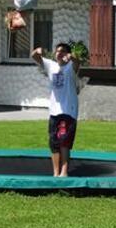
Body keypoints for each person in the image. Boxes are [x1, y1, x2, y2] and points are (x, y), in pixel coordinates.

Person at [31, 43, 80, 177]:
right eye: (57, 51)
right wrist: (38, 51)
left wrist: (71, 57)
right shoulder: (50, 65)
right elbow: (34, 56)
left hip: (68, 110)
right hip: (54, 110)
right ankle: (55, 172)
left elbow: (77, 62)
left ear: (67, 54)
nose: (59, 53)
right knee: (54, 142)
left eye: (62, 51)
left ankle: (64, 172)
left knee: (64, 141)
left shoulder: (71, 67)